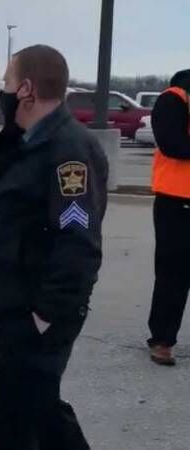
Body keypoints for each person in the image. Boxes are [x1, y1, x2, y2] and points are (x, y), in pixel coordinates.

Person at [0, 45, 108, 450]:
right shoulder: (21, 141)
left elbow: (78, 242)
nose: (3, 91)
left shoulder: (69, 151)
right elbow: (1, 217)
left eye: (7, 82)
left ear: (26, 89)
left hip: (41, 307)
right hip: (16, 298)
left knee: (28, 409)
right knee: (28, 406)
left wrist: (47, 313)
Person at [147, 69, 190, 366]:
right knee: (173, 275)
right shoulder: (173, 99)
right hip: (178, 200)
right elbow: (172, 144)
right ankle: (162, 340)